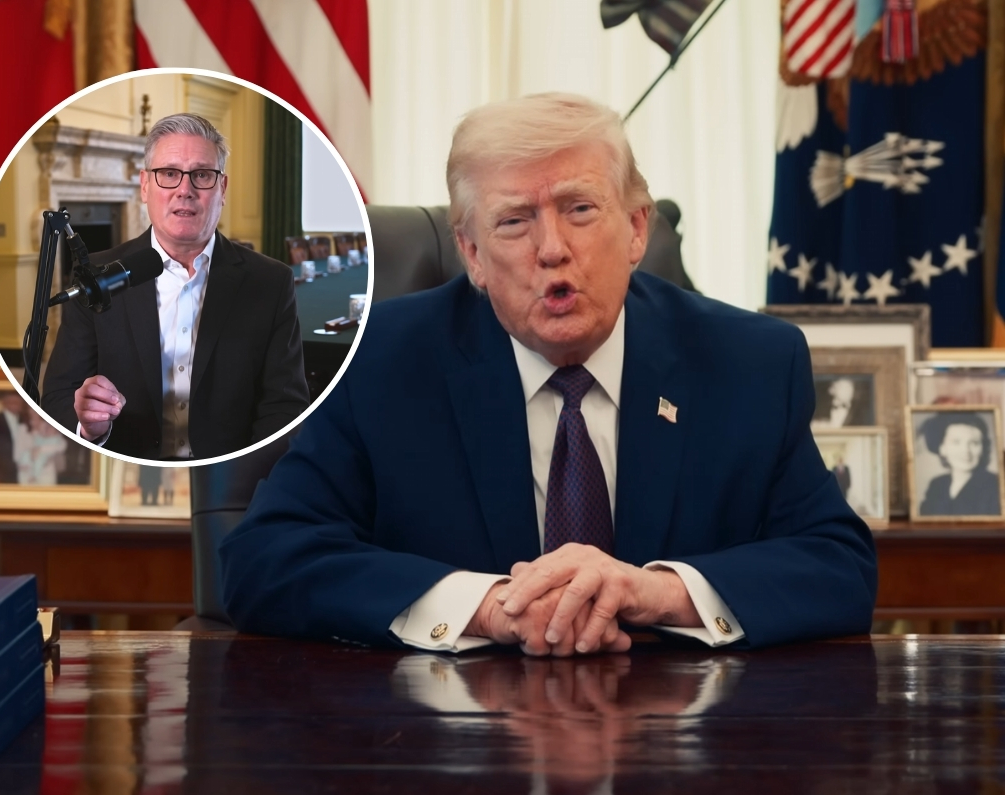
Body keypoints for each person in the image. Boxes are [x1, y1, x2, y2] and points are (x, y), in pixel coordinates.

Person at [219, 93, 877, 655]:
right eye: (514, 221)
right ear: (472, 254)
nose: (553, 248)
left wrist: (653, 591)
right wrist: (490, 606)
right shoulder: (377, 360)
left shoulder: (749, 362)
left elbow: (837, 566)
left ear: (637, 228)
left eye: (580, 209)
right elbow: (264, 560)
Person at [42, 113, 309, 461]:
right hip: (124, 475)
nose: (185, 190)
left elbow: (284, 406)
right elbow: (59, 396)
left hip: (228, 483)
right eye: (169, 173)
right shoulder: (95, 273)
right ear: (144, 186)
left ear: (222, 189)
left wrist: (241, 477)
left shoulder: (270, 282)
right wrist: (90, 425)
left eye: (202, 175)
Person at [918, 411, 1002, 516]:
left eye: (974, 443)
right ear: (942, 448)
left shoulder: (996, 485)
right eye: (956, 442)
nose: (966, 451)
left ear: (983, 448)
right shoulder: (937, 485)